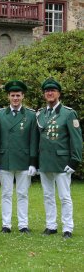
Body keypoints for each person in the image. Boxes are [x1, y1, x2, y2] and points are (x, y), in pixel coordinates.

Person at [37, 78, 82, 239]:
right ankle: (51, 225)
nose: (49, 93)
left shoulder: (69, 113)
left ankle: (68, 227)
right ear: (44, 94)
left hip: (62, 162)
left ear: (58, 93)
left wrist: (74, 160)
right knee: (48, 195)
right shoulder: (40, 114)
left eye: (52, 91)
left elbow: (76, 139)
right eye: (47, 91)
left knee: (64, 196)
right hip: (45, 162)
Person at [0, 80, 39, 234]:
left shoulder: (31, 115)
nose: (15, 98)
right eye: (12, 95)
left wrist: (33, 162)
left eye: (18, 95)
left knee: (23, 194)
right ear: (8, 97)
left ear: (23, 96)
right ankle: (6, 225)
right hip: (5, 159)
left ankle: (23, 225)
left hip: (24, 160)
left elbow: (33, 140)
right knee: (6, 193)